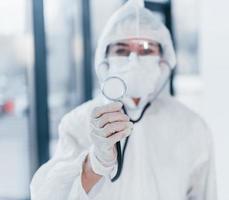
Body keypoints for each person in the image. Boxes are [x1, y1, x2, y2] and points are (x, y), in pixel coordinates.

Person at [30, 1, 217, 200]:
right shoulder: (78, 122)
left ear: (163, 61)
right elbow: (48, 195)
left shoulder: (191, 126)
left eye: (146, 50)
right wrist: (94, 165)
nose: (134, 60)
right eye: (122, 50)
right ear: (105, 59)